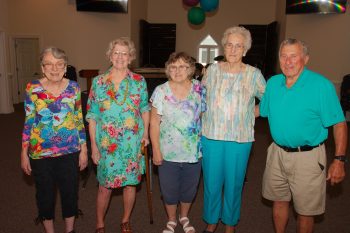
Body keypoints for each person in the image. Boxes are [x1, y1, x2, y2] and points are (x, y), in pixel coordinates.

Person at [259, 38, 347, 233]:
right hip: (277, 154)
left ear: (305, 59)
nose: (288, 61)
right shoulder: (273, 83)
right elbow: (261, 111)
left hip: (307, 157)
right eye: (283, 56)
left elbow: (339, 123)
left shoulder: (321, 86)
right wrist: (227, 110)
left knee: (305, 212)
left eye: (294, 56)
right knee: (279, 201)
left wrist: (339, 160)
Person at [201, 26, 266, 233]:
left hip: (240, 139)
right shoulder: (212, 70)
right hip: (211, 136)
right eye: (230, 44)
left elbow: (269, 103)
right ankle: (211, 221)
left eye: (239, 46)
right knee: (211, 183)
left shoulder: (254, 74)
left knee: (234, 184)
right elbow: (200, 98)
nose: (233, 49)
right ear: (224, 46)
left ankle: (230, 223)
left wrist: (250, 114)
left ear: (245, 50)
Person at [21, 47, 88, 233]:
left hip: (69, 151)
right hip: (40, 152)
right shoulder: (32, 88)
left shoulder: (74, 87)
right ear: (42, 67)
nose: (54, 68)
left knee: (70, 193)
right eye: (49, 64)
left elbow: (78, 120)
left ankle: (70, 230)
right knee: (45, 195)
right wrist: (23, 152)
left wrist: (84, 149)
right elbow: (28, 122)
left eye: (59, 64)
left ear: (65, 67)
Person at [86, 37, 150, 233]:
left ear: (130, 57)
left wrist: (145, 133)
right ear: (109, 55)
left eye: (124, 53)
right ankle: (99, 223)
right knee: (105, 187)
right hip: (106, 144)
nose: (120, 57)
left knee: (130, 185)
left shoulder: (139, 82)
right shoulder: (98, 82)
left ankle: (125, 220)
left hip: (132, 143)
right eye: (116, 52)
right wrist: (94, 147)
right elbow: (92, 116)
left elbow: (145, 109)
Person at [150, 52, 206, 233]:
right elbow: (154, 123)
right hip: (168, 152)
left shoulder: (199, 88)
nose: (178, 70)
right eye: (173, 67)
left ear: (190, 69)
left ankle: (184, 217)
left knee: (190, 189)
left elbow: (204, 117)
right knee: (169, 190)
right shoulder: (161, 91)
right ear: (168, 70)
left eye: (182, 66)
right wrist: (156, 151)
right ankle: (172, 220)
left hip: (193, 151)